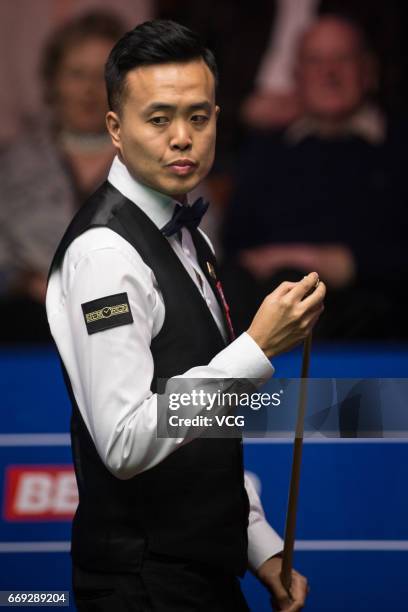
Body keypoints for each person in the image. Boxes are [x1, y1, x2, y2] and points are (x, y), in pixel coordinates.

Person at [46, 20, 325, 611]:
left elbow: (206, 437)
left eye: (198, 117)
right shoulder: (105, 253)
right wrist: (255, 348)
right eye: (159, 118)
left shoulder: (189, 238)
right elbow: (124, 444)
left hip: (203, 576)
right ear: (115, 129)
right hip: (143, 585)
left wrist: (260, 548)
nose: (182, 137)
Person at [223, 15, 407, 340]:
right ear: (297, 76)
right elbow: (238, 247)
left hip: (372, 317)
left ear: (369, 71)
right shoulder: (266, 151)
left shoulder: (397, 147)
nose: (330, 72)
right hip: (267, 309)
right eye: (315, 61)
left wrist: (341, 263)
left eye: (342, 59)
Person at [0, 11, 125, 342]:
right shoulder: (14, 163)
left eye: (102, 76)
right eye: (75, 74)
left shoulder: (163, 158)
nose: (88, 90)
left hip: (130, 318)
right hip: (26, 315)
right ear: (52, 81)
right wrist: (26, 282)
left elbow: (194, 254)